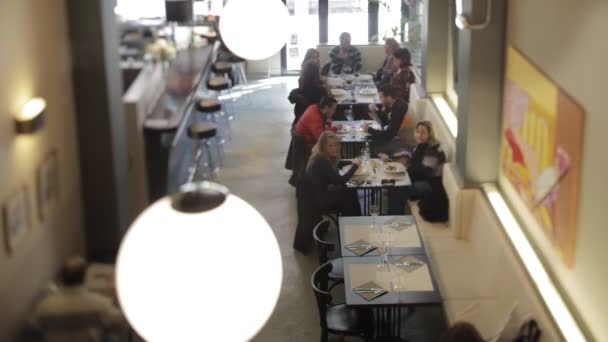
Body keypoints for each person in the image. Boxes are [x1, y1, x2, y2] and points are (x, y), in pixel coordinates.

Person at [31, 256, 127, 342]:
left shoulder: (44, 306)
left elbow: (34, 325)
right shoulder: (100, 304)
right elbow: (119, 321)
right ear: (84, 277)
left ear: (61, 278)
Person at [305, 131, 361, 216]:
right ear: (323, 147)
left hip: (316, 195)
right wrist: (355, 166)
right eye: (330, 146)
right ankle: (350, 223)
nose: (334, 148)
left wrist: (350, 162)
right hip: (320, 200)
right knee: (350, 196)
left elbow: (337, 164)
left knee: (351, 192)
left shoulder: (320, 155)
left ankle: (353, 221)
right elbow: (340, 181)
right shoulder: (322, 161)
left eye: (336, 145)